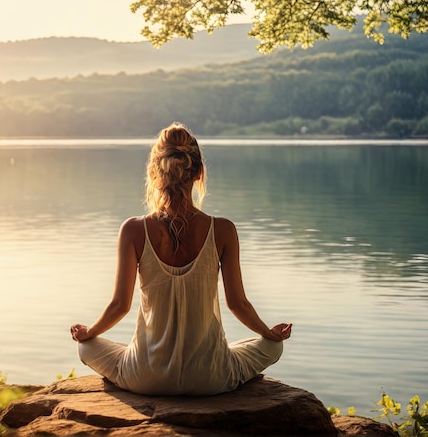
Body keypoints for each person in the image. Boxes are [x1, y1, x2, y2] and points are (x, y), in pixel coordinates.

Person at [71, 122, 292, 396]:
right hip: (209, 379)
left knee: (86, 346)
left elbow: (119, 306)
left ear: (154, 172)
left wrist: (88, 332)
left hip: (145, 377)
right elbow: (238, 304)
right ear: (199, 173)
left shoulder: (133, 230)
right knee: (273, 346)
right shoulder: (223, 230)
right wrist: (269, 334)